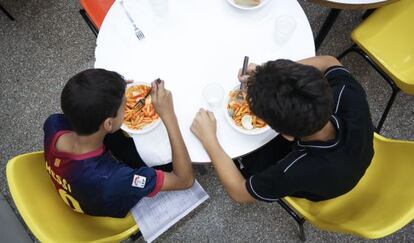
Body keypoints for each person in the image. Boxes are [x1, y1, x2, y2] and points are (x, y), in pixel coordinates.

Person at [191, 56, 374, 203]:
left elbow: (240, 193)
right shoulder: (346, 92)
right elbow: (330, 61)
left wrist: (210, 141)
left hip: (327, 186)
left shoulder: (293, 171)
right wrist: (273, 77)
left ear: (287, 135)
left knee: (255, 162)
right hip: (360, 150)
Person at [44, 69, 194, 217]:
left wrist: (112, 89)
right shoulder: (116, 179)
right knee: (165, 162)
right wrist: (169, 115)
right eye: (125, 105)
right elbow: (185, 180)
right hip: (108, 195)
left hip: (81, 183)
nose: (127, 104)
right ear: (108, 124)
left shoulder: (53, 124)